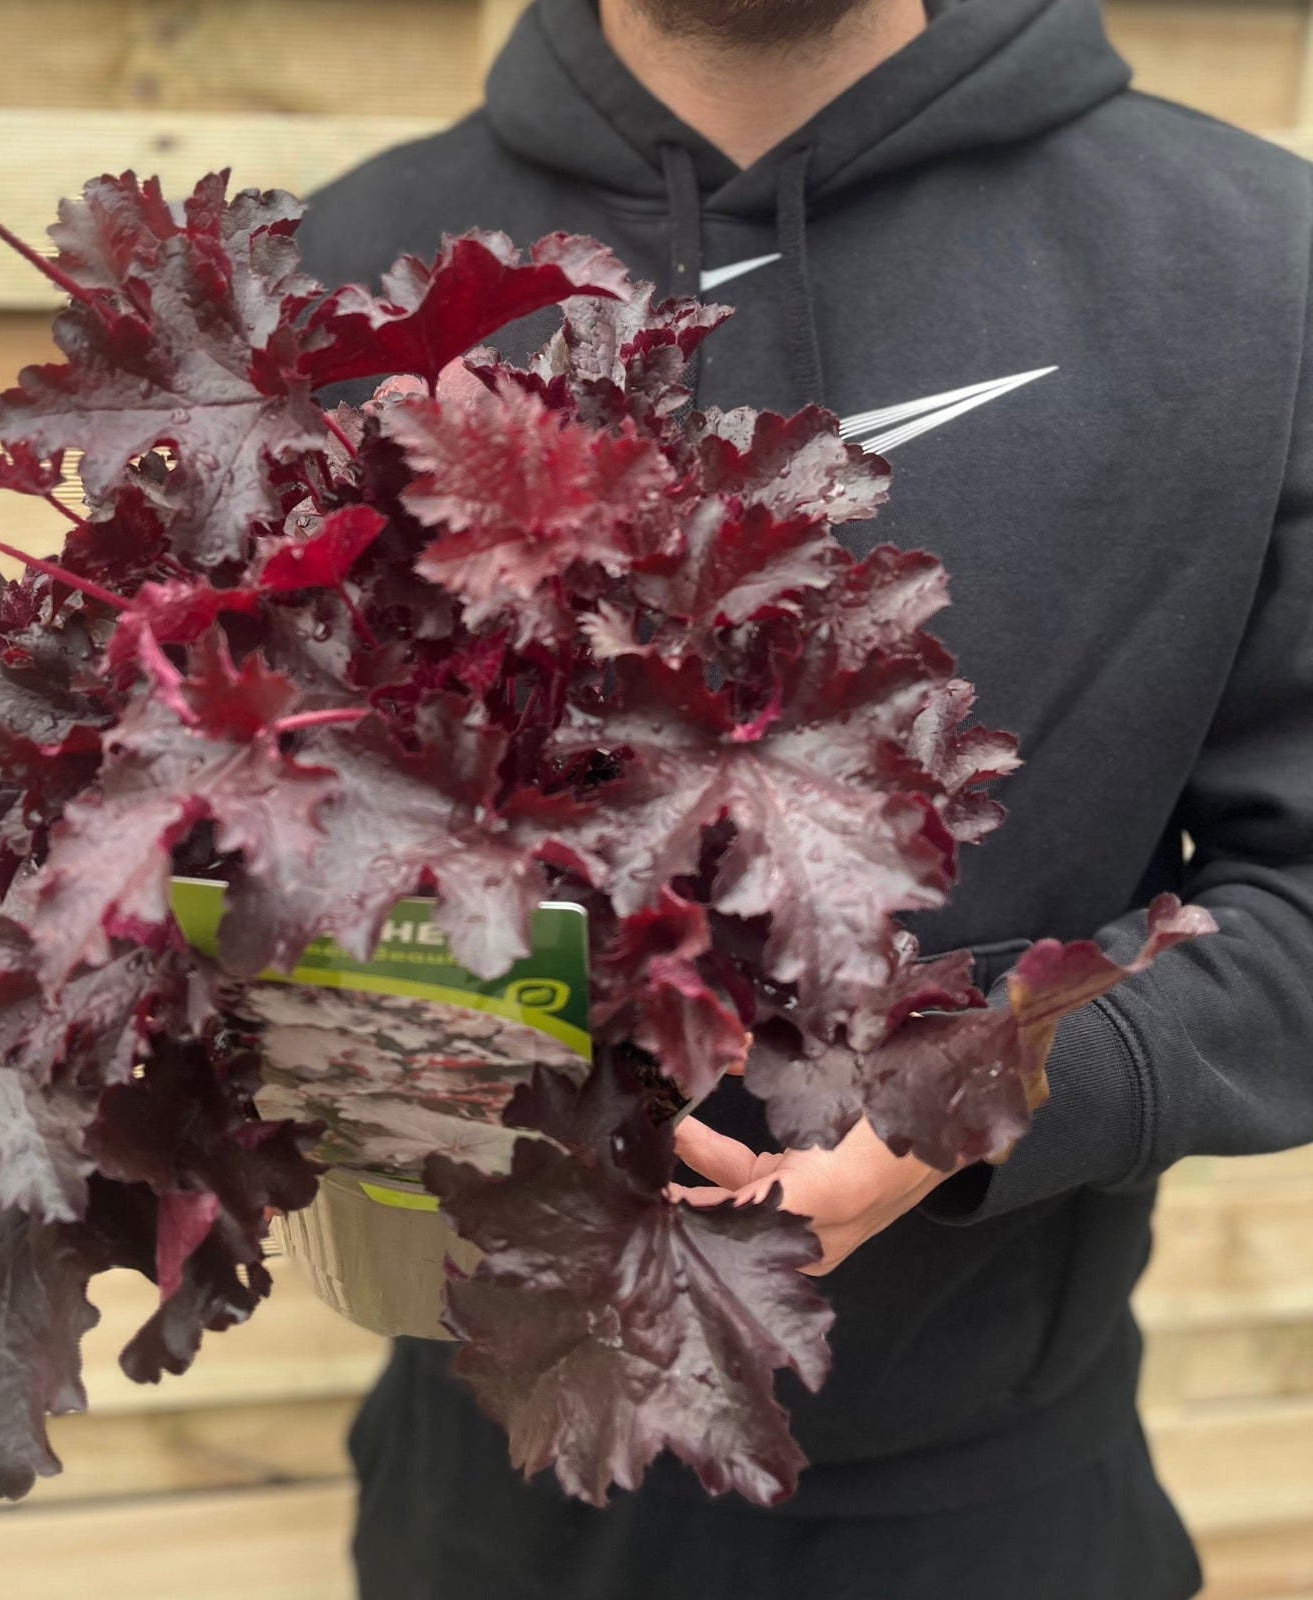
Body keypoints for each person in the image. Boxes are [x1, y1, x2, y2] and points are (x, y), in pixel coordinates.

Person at [293, 2, 1313, 1596]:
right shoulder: (357, 258)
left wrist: (991, 1078)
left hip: (990, 1514)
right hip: (477, 1495)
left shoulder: (1257, 263)